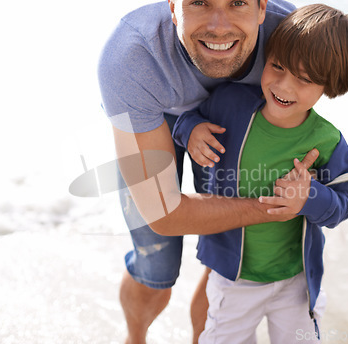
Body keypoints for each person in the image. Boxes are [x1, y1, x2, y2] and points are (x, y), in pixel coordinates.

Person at [97, 0, 326, 343]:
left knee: (226, 263)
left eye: (237, 3)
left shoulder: (291, 35)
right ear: (174, 6)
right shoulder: (131, 56)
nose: (219, 26)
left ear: (262, 8)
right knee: (154, 269)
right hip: (153, 117)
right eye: (200, 2)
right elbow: (165, 215)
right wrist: (274, 207)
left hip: (232, 122)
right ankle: (134, 338)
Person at [172, 4, 348, 343]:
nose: (284, 85)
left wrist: (310, 197)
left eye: (304, 80)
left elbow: (344, 204)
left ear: (330, 85)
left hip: (295, 280)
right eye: (277, 66)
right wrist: (190, 130)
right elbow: (184, 119)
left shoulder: (327, 141)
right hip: (234, 278)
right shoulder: (230, 103)